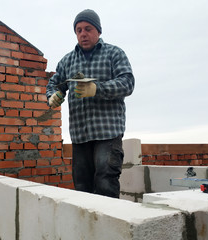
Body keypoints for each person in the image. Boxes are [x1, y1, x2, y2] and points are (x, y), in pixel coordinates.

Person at [46, 9, 135, 198]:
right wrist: (53, 95)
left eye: (87, 28)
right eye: (78, 30)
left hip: (107, 133)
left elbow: (128, 83)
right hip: (80, 135)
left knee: (105, 182)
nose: (83, 33)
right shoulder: (67, 61)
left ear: (98, 31)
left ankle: (109, 226)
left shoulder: (114, 54)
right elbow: (55, 83)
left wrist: (97, 89)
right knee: (82, 187)